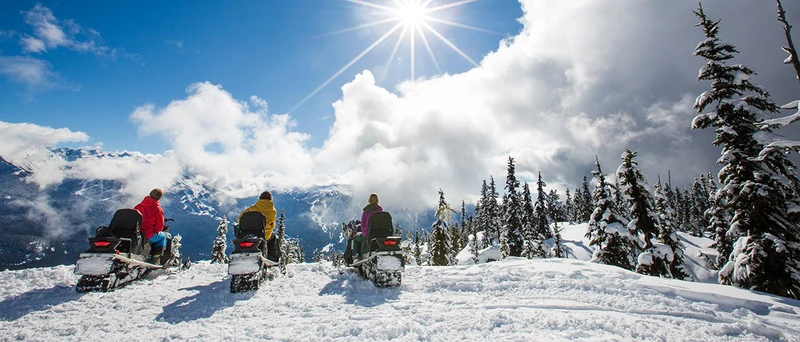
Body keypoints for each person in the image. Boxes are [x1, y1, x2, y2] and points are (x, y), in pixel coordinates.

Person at [239, 191, 279, 262]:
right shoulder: (273, 211)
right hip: (264, 234)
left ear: (260, 198)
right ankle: (272, 259)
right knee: (273, 237)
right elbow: (272, 223)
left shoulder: (252, 208)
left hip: (248, 233)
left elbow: (240, 218)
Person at [134, 188, 167, 263]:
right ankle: (155, 258)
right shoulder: (158, 209)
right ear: (159, 198)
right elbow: (159, 228)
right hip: (148, 234)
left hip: (136, 233)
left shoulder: (138, 206)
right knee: (163, 237)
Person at [354, 193, 383, 258]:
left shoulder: (366, 210)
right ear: (377, 200)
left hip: (368, 232)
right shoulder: (380, 210)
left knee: (356, 240)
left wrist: (364, 233)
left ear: (369, 200)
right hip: (379, 232)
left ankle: (356, 255)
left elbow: (363, 223)